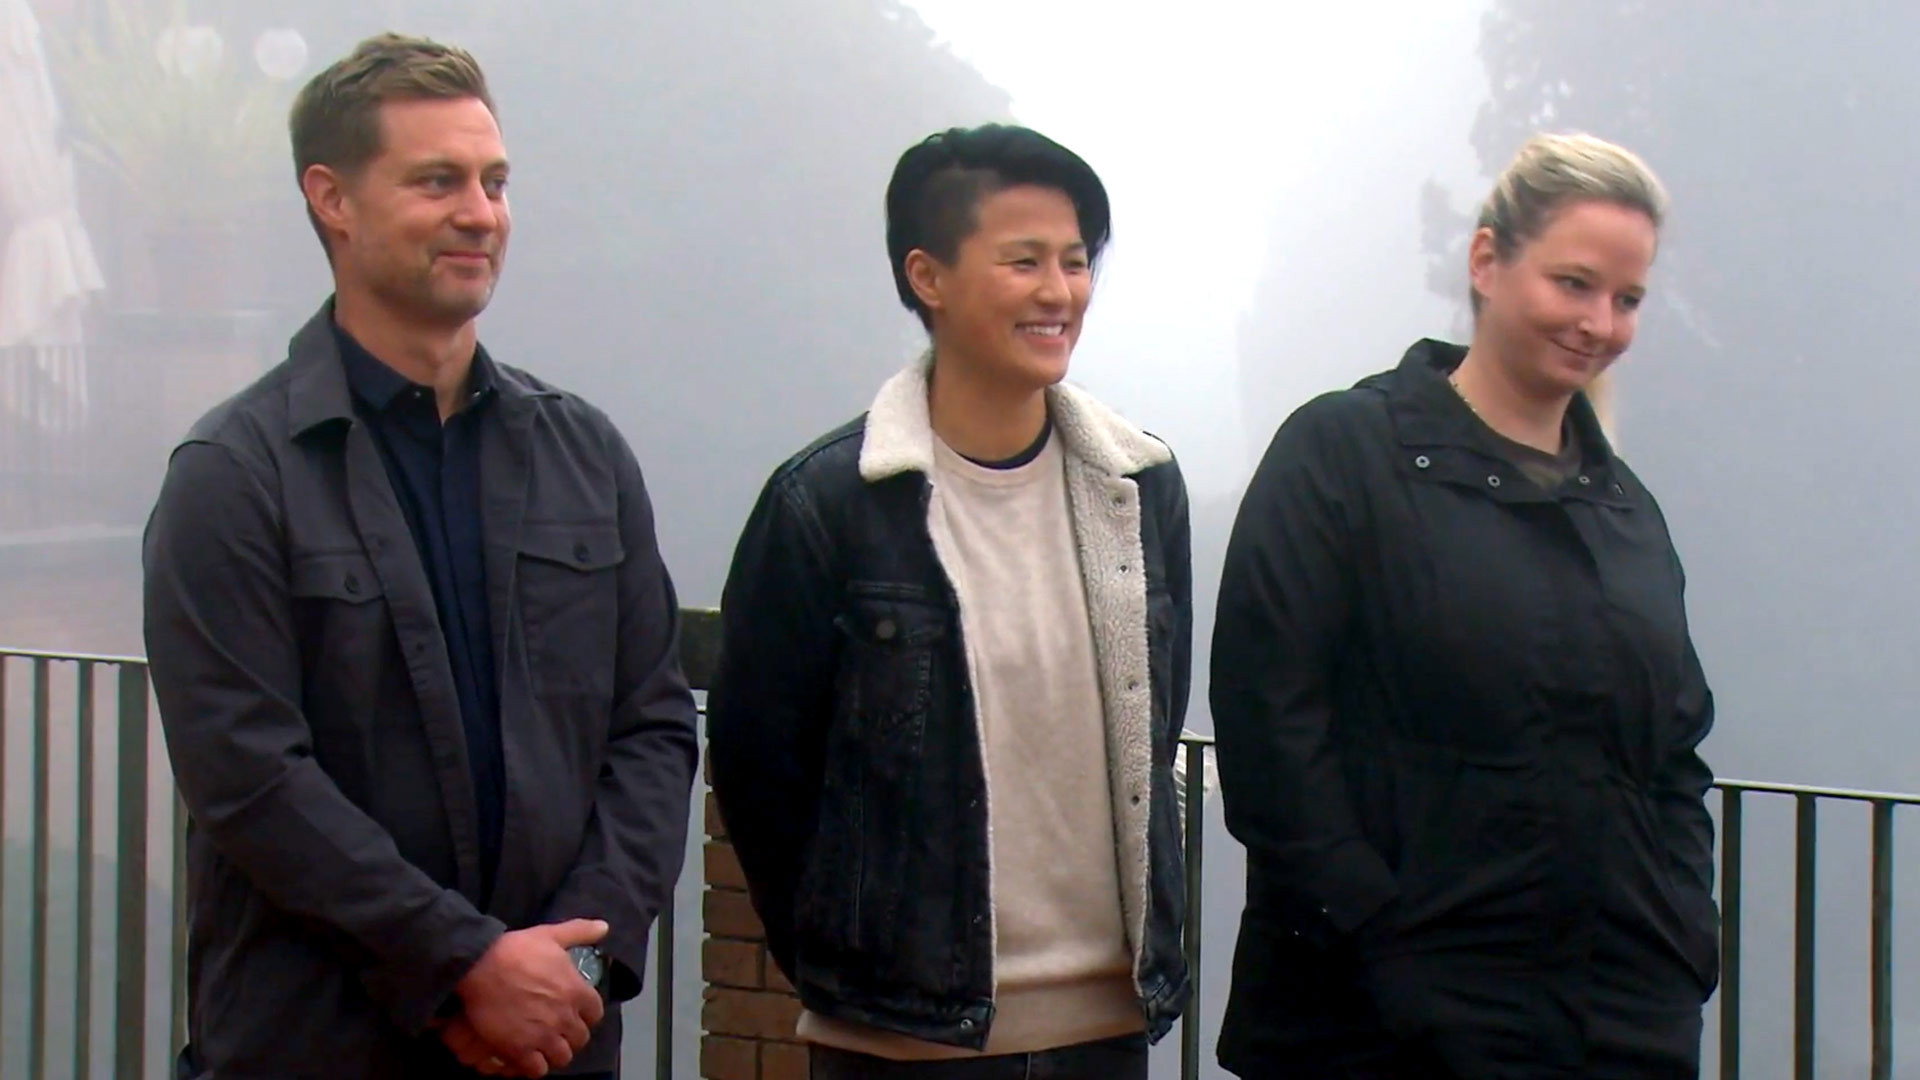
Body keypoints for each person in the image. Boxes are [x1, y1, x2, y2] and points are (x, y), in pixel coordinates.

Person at [142, 33, 697, 1080]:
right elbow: (249, 777)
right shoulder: (234, 474)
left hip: (553, 1046)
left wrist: (572, 970)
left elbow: (653, 730)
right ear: (332, 200)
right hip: (314, 1046)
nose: (481, 213)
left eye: (495, 182)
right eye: (437, 181)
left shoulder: (585, 454)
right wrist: (462, 967)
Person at [1211, 132, 1717, 1079]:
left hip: (1617, 1022)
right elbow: (1268, 724)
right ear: (1487, 261)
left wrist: (1685, 942)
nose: (1599, 323)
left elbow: (1672, 754)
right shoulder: (1343, 454)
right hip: (1376, 1029)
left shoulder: (1626, 510)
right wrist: (1374, 941)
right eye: (1573, 283)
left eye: (1627, 299)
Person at [706, 123, 1192, 1080]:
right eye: (1023, 261)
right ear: (927, 276)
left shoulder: (1138, 486)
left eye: (1074, 261)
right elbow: (761, 771)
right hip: (899, 1042)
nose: (1059, 292)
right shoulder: (828, 505)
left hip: (1105, 1032)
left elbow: (1155, 719)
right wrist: (851, 970)